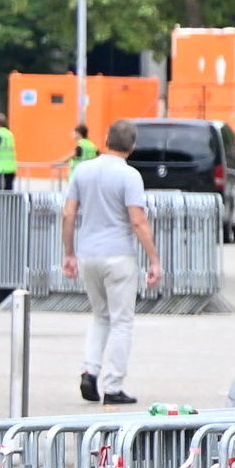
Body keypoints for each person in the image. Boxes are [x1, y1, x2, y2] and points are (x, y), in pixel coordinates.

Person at [61, 131, 157, 407]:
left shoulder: (83, 170)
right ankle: (113, 385)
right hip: (119, 256)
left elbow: (68, 213)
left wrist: (69, 253)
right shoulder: (130, 176)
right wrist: (154, 259)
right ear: (132, 146)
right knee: (122, 321)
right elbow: (137, 221)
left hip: (88, 255)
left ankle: (90, 371)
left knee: (99, 316)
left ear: (105, 140)